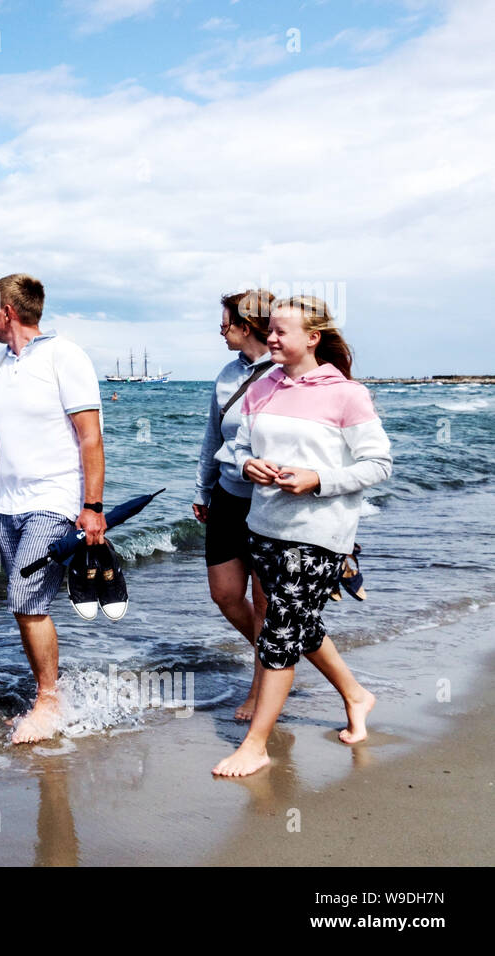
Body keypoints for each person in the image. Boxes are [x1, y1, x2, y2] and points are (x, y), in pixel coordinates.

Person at [212, 296, 391, 776]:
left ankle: (256, 745)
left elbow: (378, 463)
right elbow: (234, 448)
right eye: (269, 330)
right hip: (264, 529)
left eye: (280, 332)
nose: (270, 338)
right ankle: (357, 696)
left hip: (319, 534)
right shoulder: (262, 386)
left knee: (279, 632)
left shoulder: (346, 393)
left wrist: (318, 479)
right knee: (302, 627)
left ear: (312, 338)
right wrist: (246, 464)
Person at [0, 274, 106, 744]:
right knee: (22, 604)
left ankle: (49, 701)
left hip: (53, 502)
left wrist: (92, 506)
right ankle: (48, 694)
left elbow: (90, 436)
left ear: (8, 310)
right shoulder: (0, 363)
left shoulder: (64, 356)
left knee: (27, 599)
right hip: (6, 507)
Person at [193, 289, 274, 721]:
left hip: (270, 501)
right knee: (225, 594)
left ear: (247, 326)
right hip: (226, 495)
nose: (220, 330)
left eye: (225, 323)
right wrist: (202, 489)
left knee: (265, 605)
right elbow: (213, 437)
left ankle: (262, 688)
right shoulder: (226, 373)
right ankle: (275, 652)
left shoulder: (283, 374)